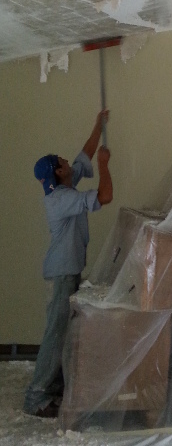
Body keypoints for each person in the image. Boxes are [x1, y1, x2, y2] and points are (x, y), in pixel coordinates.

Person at [23, 111, 112, 418]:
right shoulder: (60, 199)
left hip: (66, 271)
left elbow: (84, 152)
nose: (65, 161)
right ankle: (37, 397)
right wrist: (104, 165)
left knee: (63, 333)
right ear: (57, 173)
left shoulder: (64, 182)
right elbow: (105, 195)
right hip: (62, 275)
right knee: (56, 334)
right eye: (60, 162)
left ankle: (53, 389)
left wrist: (98, 124)